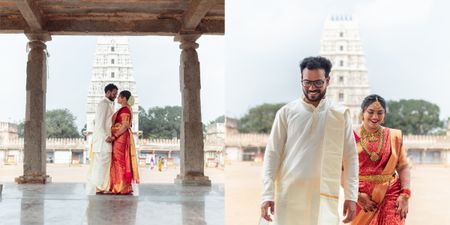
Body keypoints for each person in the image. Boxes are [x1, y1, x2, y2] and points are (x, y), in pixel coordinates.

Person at [260, 56, 359, 225]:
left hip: (324, 195)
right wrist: (267, 194)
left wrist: (351, 196)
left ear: (327, 80)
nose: (312, 88)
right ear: (301, 80)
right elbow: (272, 155)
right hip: (289, 195)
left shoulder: (339, 114)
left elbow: (350, 157)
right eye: (307, 82)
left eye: (318, 83)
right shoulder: (286, 113)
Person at [352, 95, 410, 224]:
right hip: (363, 197)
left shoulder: (394, 136)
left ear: (384, 115)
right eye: (370, 112)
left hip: (391, 194)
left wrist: (405, 195)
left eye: (380, 113)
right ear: (362, 113)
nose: (375, 117)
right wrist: (355, 195)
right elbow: (342, 170)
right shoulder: (351, 137)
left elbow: (403, 166)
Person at [86, 83, 118, 195]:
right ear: (108, 92)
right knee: (101, 165)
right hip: (102, 141)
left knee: (104, 165)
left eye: (116, 94)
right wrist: (106, 137)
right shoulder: (103, 104)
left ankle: (103, 187)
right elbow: (99, 123)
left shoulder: (109, 104)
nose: (115, 96)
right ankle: (99, 188)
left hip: (105, 140)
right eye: (114, 94)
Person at [108, 90, 140, 194]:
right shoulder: (125, 109)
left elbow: (125, 125)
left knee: (119, 161)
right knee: (119, 161)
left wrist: (115, 136)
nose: (117, 98)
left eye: (119, 97)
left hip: (120, 138)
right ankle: (120, 186)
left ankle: (121, 187)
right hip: (121, 137)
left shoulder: (125, 110)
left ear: (124, 99)